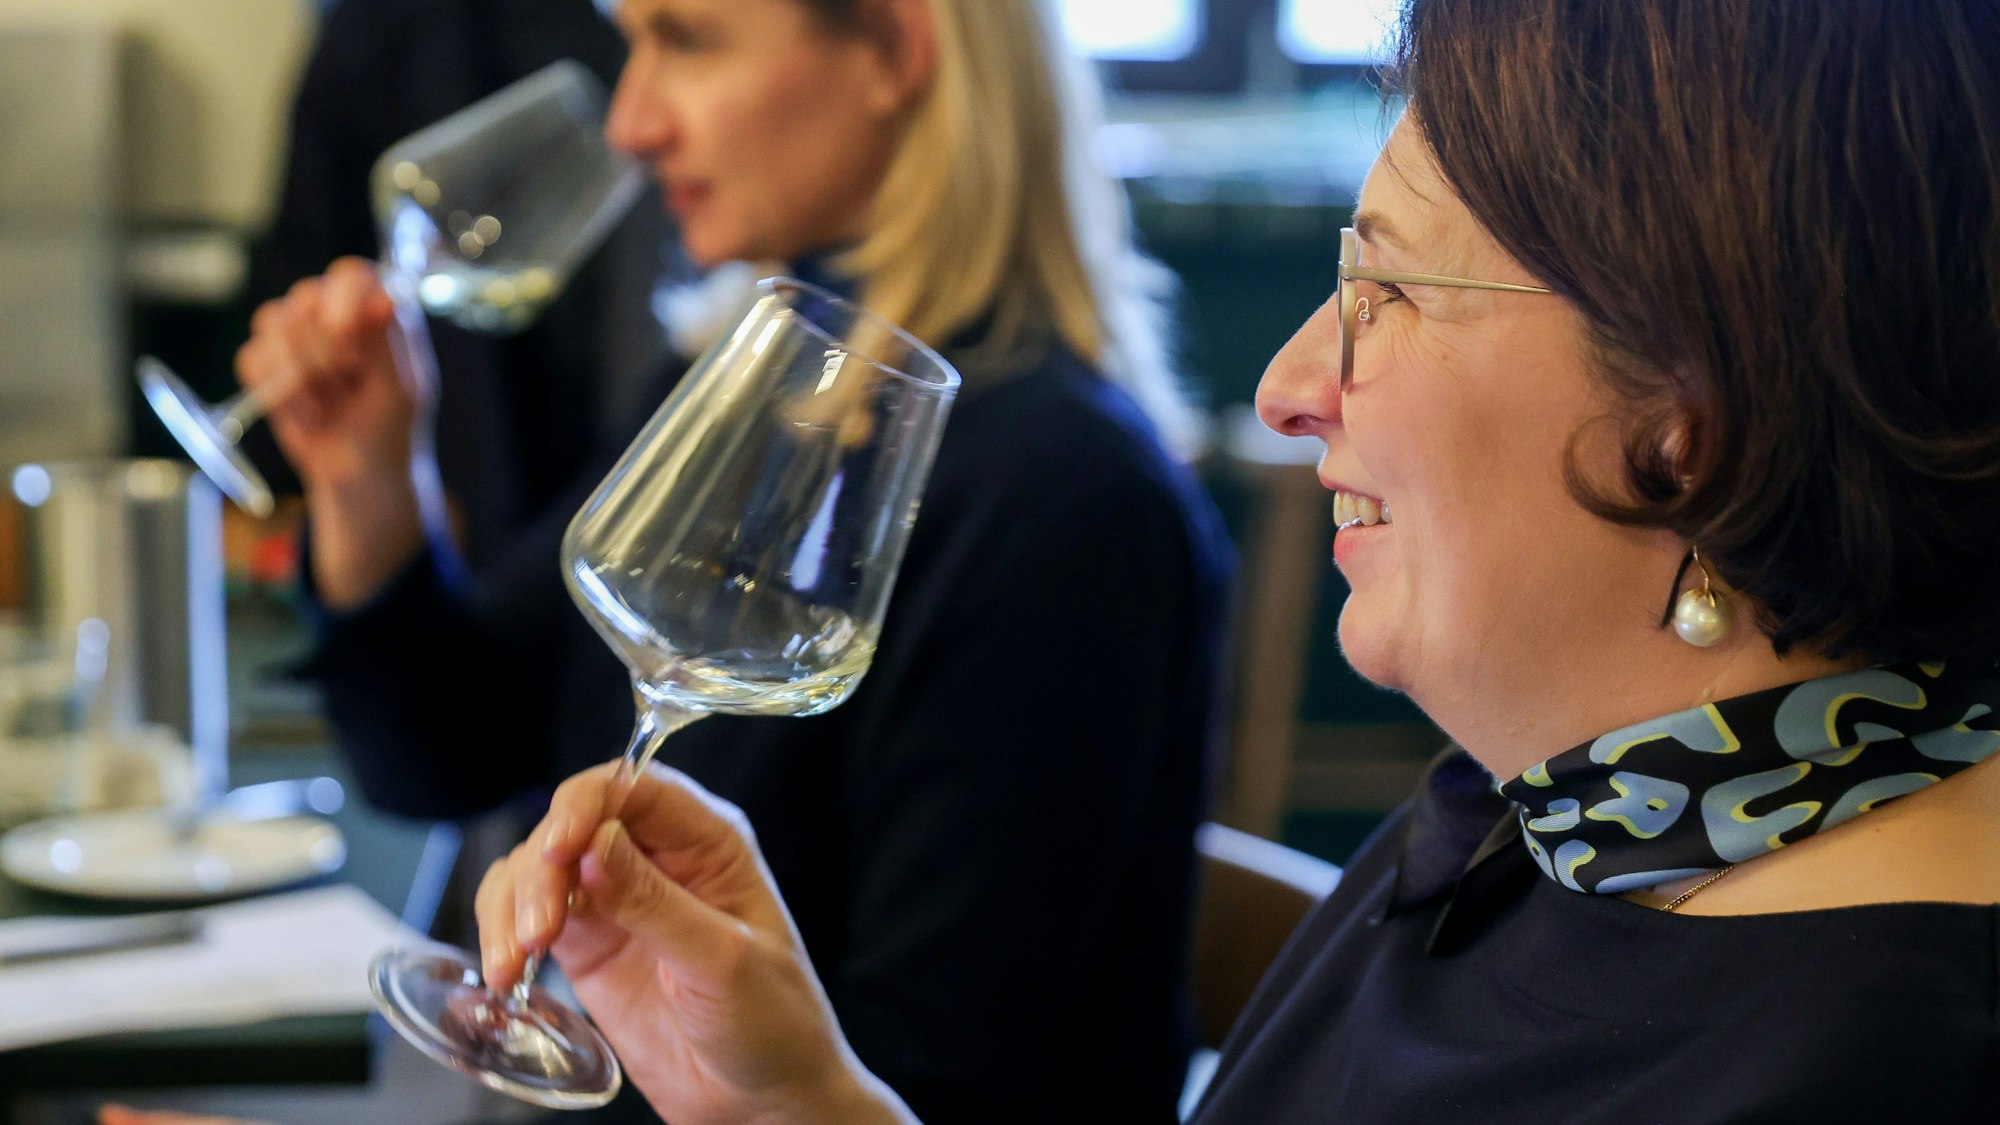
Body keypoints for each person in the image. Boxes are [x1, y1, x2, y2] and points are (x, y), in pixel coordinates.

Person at [447, 0, 1997, 1122]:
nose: (1289, 382)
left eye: (1385, 289)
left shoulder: (1871, 1059)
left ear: (1683, 407)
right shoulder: (1543, 826)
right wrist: (785, 1094)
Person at [231, 0, 1232, 1121]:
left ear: (895, 52)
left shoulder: (1069, 502)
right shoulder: (749, 383)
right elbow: (447, 754)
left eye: (687, 41)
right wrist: (369, 481)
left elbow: (941, 1080)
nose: (630, 122)